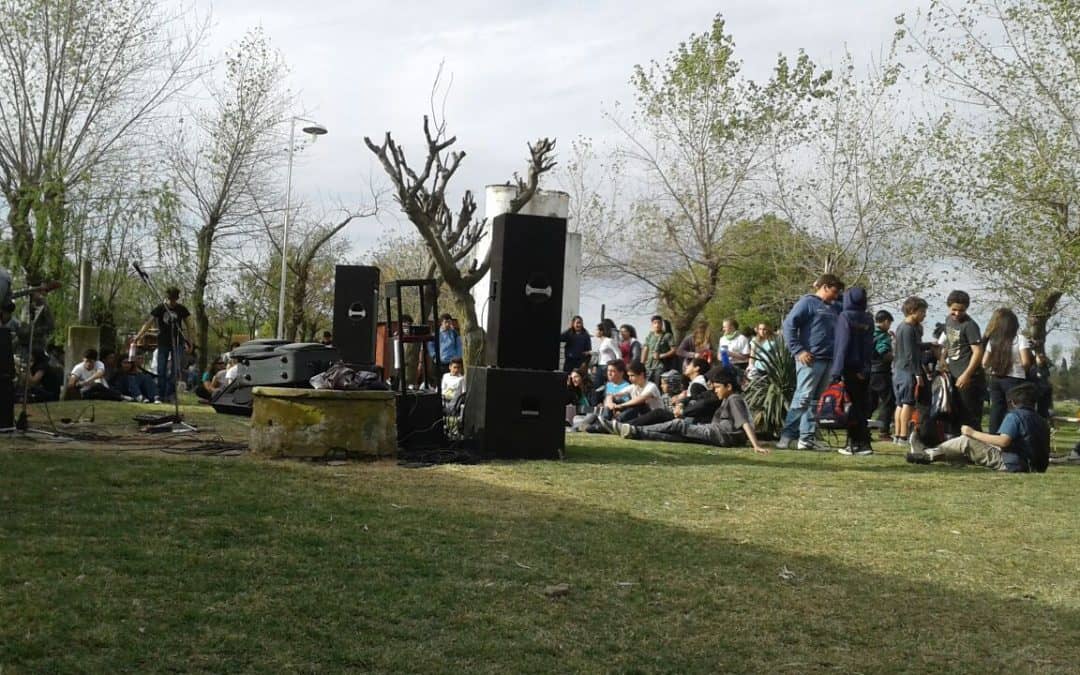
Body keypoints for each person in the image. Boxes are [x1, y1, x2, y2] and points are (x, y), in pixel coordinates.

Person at [612, 367, 769, 453]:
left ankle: (635, 429)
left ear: (729, 387)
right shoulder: (729, 399)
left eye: (718, 388)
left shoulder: (734, 398)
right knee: (678, 437)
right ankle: (635, 433)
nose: (715, 391)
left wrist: (756, 445)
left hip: (721, 434)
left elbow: (744, 422)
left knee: (678, 425)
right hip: (721, 435)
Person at [907, 382, 1048, 472]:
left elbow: (1003, 441)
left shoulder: (1015, 416)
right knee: (971, 449)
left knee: (965, 441)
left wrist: (972, 433)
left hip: (1014, 464)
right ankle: (932, 455)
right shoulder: (1041, 421)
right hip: (1034, 466)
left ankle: (926, 454)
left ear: (1014, 403)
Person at [777, 274, 844, 451]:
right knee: (803, 397)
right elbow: (789, 325)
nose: (836, 295)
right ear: (825, 287)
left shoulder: (834, 307)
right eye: (834, 291)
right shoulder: (807, 303)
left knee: (815, 401)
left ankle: (806, 438)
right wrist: (798, 350)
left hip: (828, 359)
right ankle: (787, 436)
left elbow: (850, 301)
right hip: (810, 359)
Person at [829, 287, 875, 456]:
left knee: (849, 407)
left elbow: (842, 345)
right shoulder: (869, 318)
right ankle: (865, 443)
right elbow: (870, 345)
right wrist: (866, 368)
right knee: (861, 407)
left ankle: (852, 443)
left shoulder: (845, 317)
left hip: (848, 367)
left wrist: (836, 372)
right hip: (863, 369)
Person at [937, 290, 986, 435]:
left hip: (969, 379)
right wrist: (942, 359)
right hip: (953, 374)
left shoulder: (970, 325)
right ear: (948, 307)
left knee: (970, 417)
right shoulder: (948, 320)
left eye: (961, 310)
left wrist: (966, 375)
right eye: (954, 310)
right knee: (954, 414)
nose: (957, 313)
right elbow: (948, 342)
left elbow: (978, 352)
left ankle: (976, 449)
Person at [134, 286, 192, 404]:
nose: (172, 302)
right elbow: (148, 323)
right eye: (170, 299)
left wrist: (191, 341)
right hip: (163, 343)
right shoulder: (160, 308)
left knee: (175, 369)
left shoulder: (181, 309)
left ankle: (170, 394)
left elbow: (190, 326)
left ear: (177, 298)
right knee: (161, 369)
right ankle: (159, 394)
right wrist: (139, 336)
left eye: (174, 299)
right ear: (167, 297)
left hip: (177, 342)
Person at [981, 307, 1033, 434]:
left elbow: (984, 362)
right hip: (1015, 378)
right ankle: (1010, 436)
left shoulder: (993, 340)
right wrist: (1021, 369)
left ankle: (993, 437)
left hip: (995, 378)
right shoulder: (1020, 339)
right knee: (1014, 409)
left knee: (996, 409)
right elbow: (1026, 362)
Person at [893, 297, 927, 445]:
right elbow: (910, 353)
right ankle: (903, 436)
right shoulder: (907, 328)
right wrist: (918, 373)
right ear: (913, 311)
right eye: (922, 312)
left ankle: (897, 434)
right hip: (906, 370)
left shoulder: (902, 327)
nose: (924, 315)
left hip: (898, 370)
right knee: (907, 403)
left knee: (900, 404)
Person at [869, 310, 895, 441]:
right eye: (889, 323)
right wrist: (894, 356)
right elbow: (883, 352)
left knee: (870, 403)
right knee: (888, 402)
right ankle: (884, 432)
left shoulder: (868, 333)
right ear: (885, 321)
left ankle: (863, 430)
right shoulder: (883, 335)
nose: (889, 326)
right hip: (881, 372)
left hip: (868, 372)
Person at [641, 315, 675, 384]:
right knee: (647, 385)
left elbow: (673, 350)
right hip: (649, 365)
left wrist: (661, 356)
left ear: (662, 324)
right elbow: (645, 350)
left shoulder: (667, 335)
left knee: (658, 384)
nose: (657, 325)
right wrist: (641, 364)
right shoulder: (650, 336)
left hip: (661, 365)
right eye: (655, 323)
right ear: (652, 324)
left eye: (659, 323)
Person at [591, 322, 620, 397]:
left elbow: (618, 353)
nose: (595, 331)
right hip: (600, 366)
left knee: (609, 386)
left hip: (608, 366)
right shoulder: (601, 342)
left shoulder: (609, 341)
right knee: (597, 387)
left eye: (597, 330)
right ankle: (597, 404)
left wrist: (617, 366)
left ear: (601, 331)